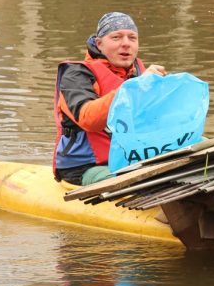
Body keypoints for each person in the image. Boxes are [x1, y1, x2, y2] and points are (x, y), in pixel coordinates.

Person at [53, 12, 167, 185]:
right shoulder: (76, 75)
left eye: (132, 38)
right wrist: (133, 88)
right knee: (135, 181)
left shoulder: (139, 73)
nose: (126, 44)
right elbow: (89, 119)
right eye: (116, 37)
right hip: (85, 166)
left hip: (131, 160)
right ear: (99, 44)